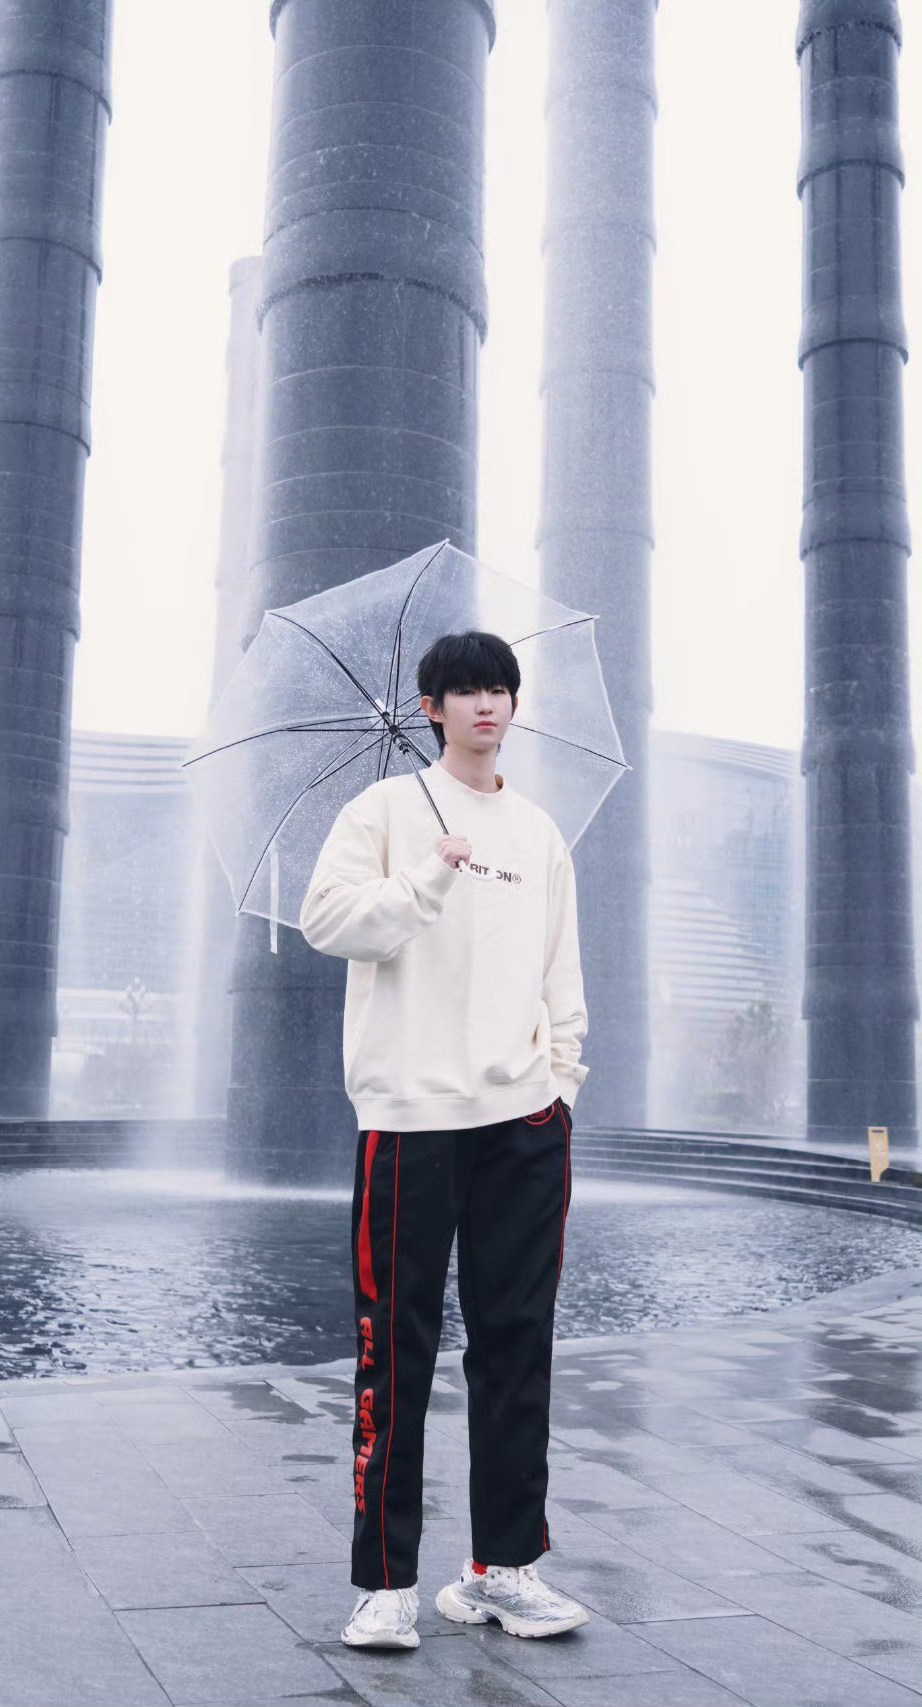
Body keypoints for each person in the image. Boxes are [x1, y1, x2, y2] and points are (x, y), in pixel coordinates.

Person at [298, 629, 591, 1649]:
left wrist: (560, 1084)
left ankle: (502, 1570)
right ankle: (385, 1585)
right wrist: (427, 876)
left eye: (499, 688)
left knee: (517, 1350)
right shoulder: (383, 813)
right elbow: (328, 922)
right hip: (410, 1121)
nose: (486, 704)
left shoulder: (539, 833)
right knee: (396, 1350)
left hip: (524, 1123)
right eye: (466, 690)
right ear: (431, 708)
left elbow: (561, 972)